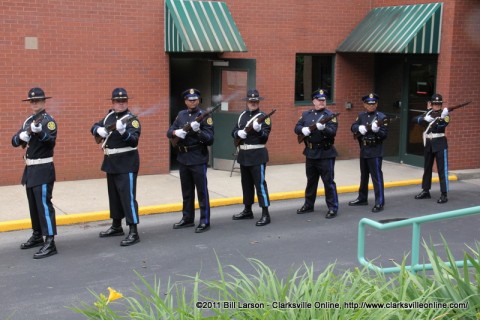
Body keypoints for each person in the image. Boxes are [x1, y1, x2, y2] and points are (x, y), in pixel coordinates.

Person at [11, 87, 58, 259]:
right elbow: (14, 141)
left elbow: (50, 141)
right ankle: (37, 235)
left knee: (44, 206)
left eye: (37, 100)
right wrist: (22, 137)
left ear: (44, 102)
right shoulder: (28, 121)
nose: (34, 103)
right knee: (33, 205)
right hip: (30, 169)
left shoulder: (48, 121)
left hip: (43, 168)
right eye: (32, 101)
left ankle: (50, 241)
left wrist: (40, 133)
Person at [91, 88, 141, 246]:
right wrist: (97, 130)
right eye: (118, 101)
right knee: (114, 196)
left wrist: (123, 131)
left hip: (126, 162)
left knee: (128, 197)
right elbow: (94, 127)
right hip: (111, 161)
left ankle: (133, 231)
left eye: (124, 101)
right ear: (112, 102)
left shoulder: (131, 119)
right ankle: (116, 226)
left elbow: (133, 141)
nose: (121, 104)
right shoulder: (109, 116)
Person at [166, 88, 214, 233]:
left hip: (198, 157)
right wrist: (176, 132)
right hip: (183, 158)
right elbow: (169, 132)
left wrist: (198, 131)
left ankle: (204, 220)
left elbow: (210, 139)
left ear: (198, 100)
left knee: (202, 192)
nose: (192, 101)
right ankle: (187, 218)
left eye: (194, 99)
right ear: (185, 101)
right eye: (189, 99)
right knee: (186, 191)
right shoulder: (181, 115)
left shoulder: (205, 115)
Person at [294, 89, 339, 219]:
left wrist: (324, 128)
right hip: (310, 152)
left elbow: (333, 132)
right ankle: (308, 205)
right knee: (311, 181)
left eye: (323, 100)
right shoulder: (306, 114)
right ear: (314, 101)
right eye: (319, 100)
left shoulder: (330, 115)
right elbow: (296, 128)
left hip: (325, 153)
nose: (322, 102)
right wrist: (303, 129)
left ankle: (332, 207)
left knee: (328, 182)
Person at [231, 89, 272, 226]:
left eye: (255, 101)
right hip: (244, 155)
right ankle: (247, 210)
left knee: (259, 185)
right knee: (246, 184)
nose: (253, 103)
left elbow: (265, 137)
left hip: (257, 155)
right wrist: (238, 133)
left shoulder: (264, 117)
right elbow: (233, 131)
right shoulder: (242, 115)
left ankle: (265, 213)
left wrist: (259, 130)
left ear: (258, 102)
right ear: (247, 102)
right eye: (250, 101)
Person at [348, 93, 388, 212]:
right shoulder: (361, 116)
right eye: (369, 104)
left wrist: (377, 131)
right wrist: (359, 128)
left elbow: (384, 135)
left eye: (374, 104)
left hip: (375, 150)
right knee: (364, 176)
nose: (371, 106)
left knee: (376, 177)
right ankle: (362, 198)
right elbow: (353, 127)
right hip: (364, 149)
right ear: (364, 105)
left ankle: (379, 202)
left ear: (377, 104)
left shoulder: (381, 117)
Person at [413, 93, 450, 203]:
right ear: (431, 104)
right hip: (428, 143)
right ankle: (425, 191)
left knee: (441, 170)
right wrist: (425, 119)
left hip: (440, 143)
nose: (437, 106)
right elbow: (415, 119)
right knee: (427, 168)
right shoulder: (428, 113)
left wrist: (442, 118)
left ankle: (444, 193)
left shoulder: (445, 114)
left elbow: (441, 127)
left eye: (439, 104)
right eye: (435, 104)